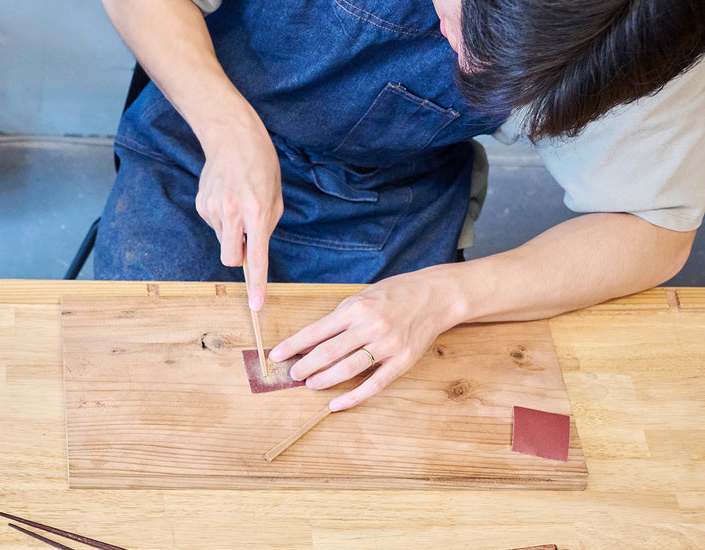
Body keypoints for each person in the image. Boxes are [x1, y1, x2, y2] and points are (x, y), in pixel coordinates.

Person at [95, 0, 705, 410]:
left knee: (361, 419)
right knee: (159, 391)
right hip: (200, 133)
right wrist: (226, 126)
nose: (463, 61)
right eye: (470, 30)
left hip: (389, 188)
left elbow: (655, 229)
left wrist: (444, 296)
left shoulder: (652, 32)